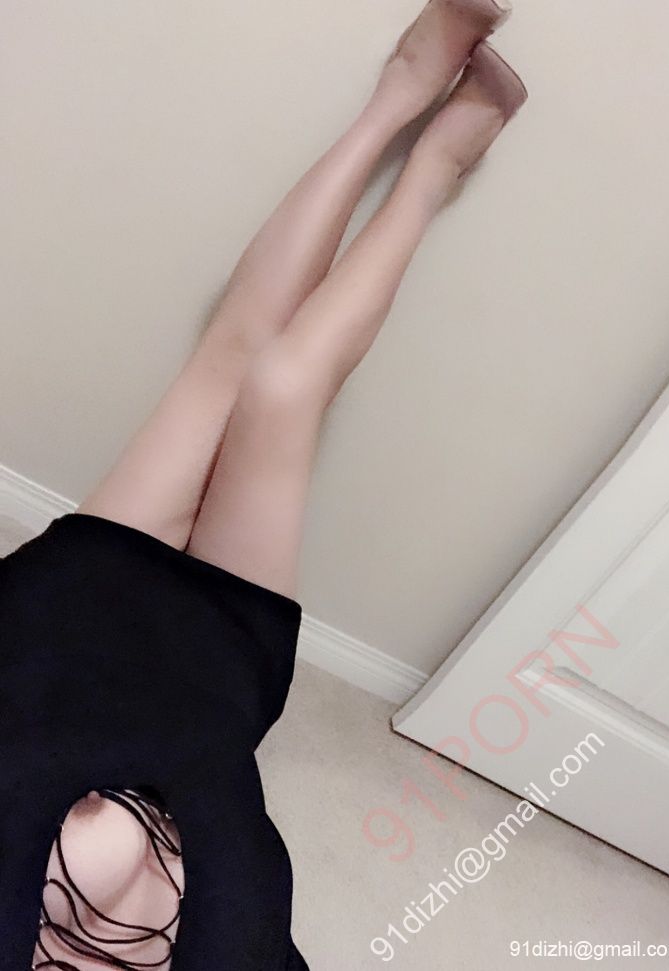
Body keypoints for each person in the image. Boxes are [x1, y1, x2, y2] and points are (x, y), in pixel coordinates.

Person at [0, 1, 526, 967]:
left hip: (54, 631)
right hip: (207, 675)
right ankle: (433, 169)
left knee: (229, 363)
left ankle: (397, 98)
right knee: (282, 387)